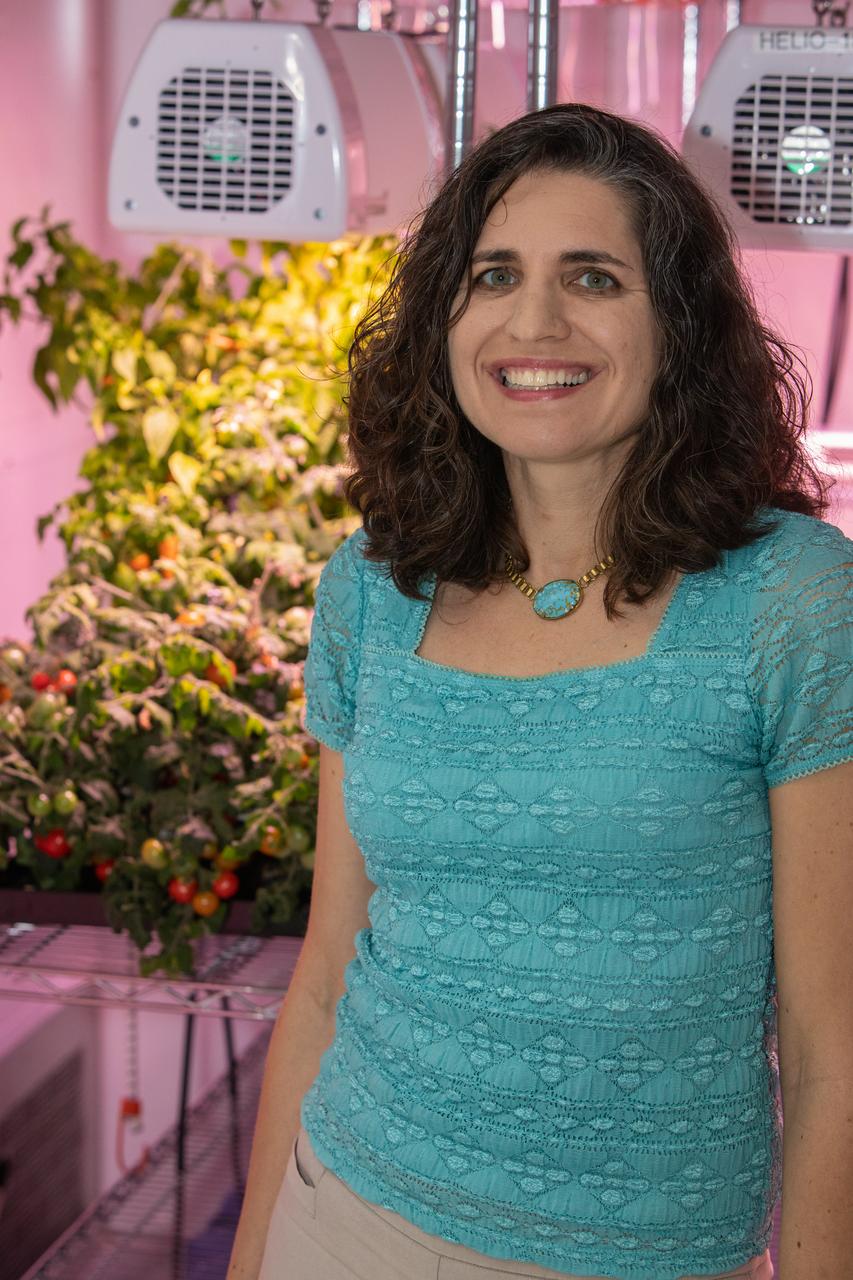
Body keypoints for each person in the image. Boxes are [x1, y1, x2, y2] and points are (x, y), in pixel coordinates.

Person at [227, 103, 853, 1280]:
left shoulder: (791, 600)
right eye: (493, 274)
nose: (534, 322)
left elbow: (834, 1044)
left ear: (676, 320)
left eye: (594, 277)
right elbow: (322, 970)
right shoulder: (375, 583)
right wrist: (254, 1252)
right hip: (345, 1211)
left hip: (647, 1255)